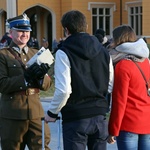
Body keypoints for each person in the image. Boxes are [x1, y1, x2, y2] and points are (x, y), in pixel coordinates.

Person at [45, 10, 114, 150]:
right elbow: (110, 83)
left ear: (66, 30)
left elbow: (64, 90)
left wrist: (52, 112)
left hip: (76, 116)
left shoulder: (64, 52)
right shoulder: (103, 51)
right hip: (99, 114)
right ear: (86, 26)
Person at [0, 13, 51, 150]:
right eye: (21, 30)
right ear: (10, 32)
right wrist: (25, 78)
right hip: (13, 114)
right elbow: (2, 84)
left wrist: (41, 77)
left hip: (36, 112)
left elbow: (47, 85)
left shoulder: (37, 53)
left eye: (27, 30)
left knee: (42, 147)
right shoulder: (3, 55)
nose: (25, 34)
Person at [107, 25, 150, 150]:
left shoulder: (123, 65)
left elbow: (120, 101)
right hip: (146, 121)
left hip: (129, 123)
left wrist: (113, 129)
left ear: (118, 41)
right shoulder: (146, 61)